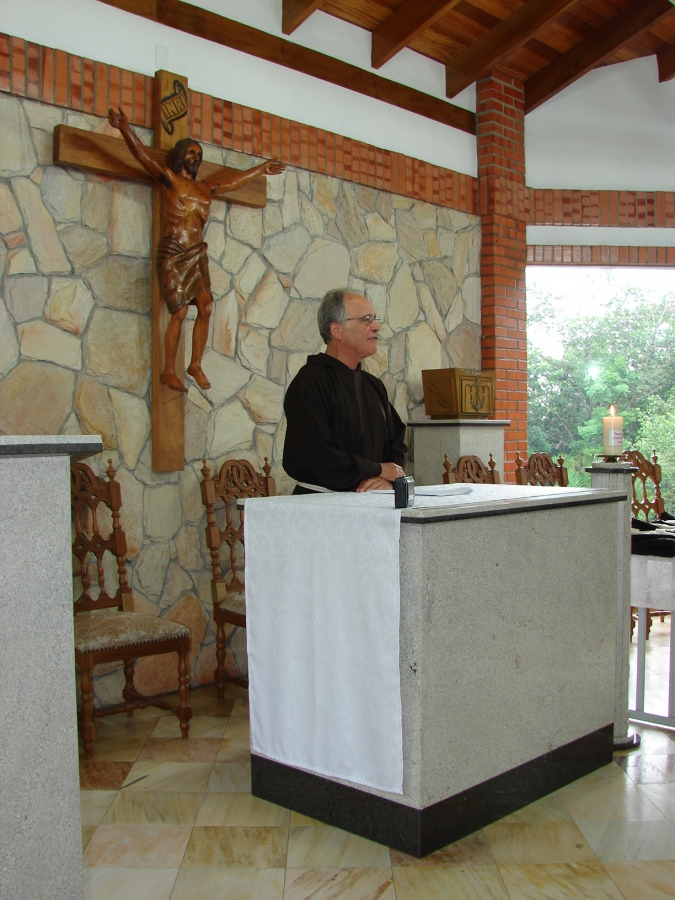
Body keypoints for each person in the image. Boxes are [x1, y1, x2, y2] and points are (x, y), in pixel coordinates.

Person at [108, 107, 285, 393]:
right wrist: (125, 128)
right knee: (178, 313)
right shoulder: (169, 179)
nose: (196, 157)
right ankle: (168, 370)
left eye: (199, 154)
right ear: (180, 156)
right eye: (191, 152)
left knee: (206, 307)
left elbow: (233, 182)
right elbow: (142, 156)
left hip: (196, 253)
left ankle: (195, 364)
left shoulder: (205, 188)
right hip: (173, 252)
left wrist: (261, 169)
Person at [283, 289, 407, 493]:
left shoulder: (374, 385)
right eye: (366, 320)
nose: (376, 327)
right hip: (321, 502)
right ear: (336, 330)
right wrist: (377, 469)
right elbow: (313, 455)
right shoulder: (310, 381)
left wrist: (388, 480)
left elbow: (396, 443)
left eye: (375, 319)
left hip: (374, 500)